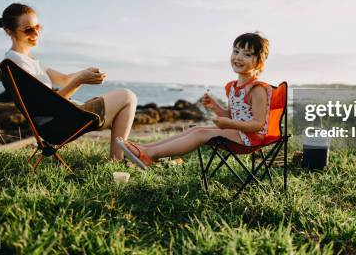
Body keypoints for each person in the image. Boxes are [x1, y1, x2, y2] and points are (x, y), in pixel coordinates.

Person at [0, 3, 137, 162]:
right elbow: (48, 106)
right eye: (28, 29)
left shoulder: (29, 61)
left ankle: (120, 158)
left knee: (123, 104)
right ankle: (117, 159)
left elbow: (63, 79)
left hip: (61, 116)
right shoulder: (16, 64)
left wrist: (84, 74)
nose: (35, 33)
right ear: (9, 31)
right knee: (127, 96)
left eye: (38, 27)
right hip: (57, 124)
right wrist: (79, 81)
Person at [116, 32, 272, 170]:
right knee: (195, 129)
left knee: (201, 133)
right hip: (238, 133)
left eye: (247, 54)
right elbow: (232, 116)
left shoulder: (257, 89)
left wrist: (228, 124)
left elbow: (257, 124)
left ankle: (150, 154)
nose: (238, 57)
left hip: (250, 139)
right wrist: (215, 107)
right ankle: (145, 148)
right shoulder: (233, 87)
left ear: (259, 63)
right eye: (236, 51)